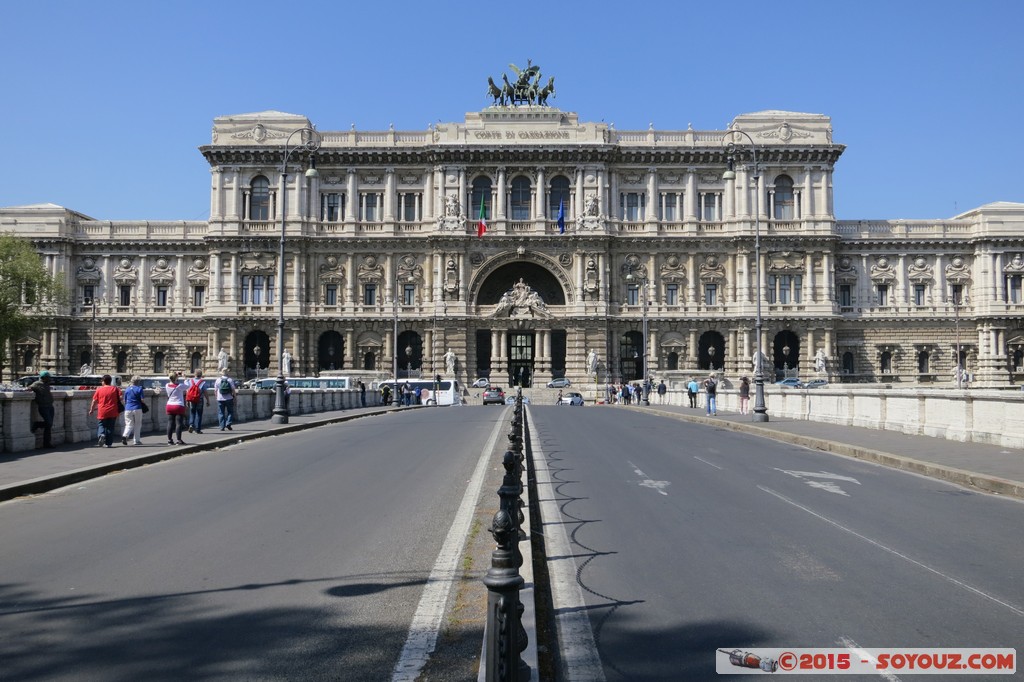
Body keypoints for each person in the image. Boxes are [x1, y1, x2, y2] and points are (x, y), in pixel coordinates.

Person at [88, 374, 121, 448]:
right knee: (110, 427)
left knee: (101, 425)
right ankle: (108, 443)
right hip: (113, 410)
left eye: (102, 381)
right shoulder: (115, 389)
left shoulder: (99, 389)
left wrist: (91, 410)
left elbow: (94, 401)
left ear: (103, 381)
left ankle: (101, 434)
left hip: (102, 411)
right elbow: (121, 398)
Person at [29, 370, 55, 448]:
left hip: (50, 406)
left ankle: (47, 443)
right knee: (49, 423)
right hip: (43, 407)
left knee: (49, 425)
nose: (49, 379)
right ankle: (37, 424)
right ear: (43, 378)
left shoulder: (47, 384)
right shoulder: (36, 384)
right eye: (48, 377)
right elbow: (29, 388)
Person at [121, 375, 146, 445]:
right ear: (138, 382)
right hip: (137, 408)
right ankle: (136, 440)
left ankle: (125, 435)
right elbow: (142, 400)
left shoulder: (127, 389)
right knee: (137, 424)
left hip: (128, 408)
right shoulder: (139, 389)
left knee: (128, 424)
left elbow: (124, 400)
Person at [165, 372, 188, 445]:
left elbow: (171, 380)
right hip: (178, 405)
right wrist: (185, 378)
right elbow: (188, 386)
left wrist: (175, 375)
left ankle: (169, 440)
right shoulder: (179, 386)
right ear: (176, 378)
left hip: (169, 405)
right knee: (178, 423)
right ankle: (179, 440)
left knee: (170, 423)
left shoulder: (167, 385)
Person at [185, 370, 210, 434]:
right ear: (201, 375)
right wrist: (208, 400)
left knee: (192, 412)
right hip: (200, 399)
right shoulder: (203, 382)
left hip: (192, 399)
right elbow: (205, 392)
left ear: (194, 374)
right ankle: (198, 429)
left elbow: (187, 391)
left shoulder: (190, 381)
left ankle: (191, 425)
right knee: (199, 414)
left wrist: (187, 400)